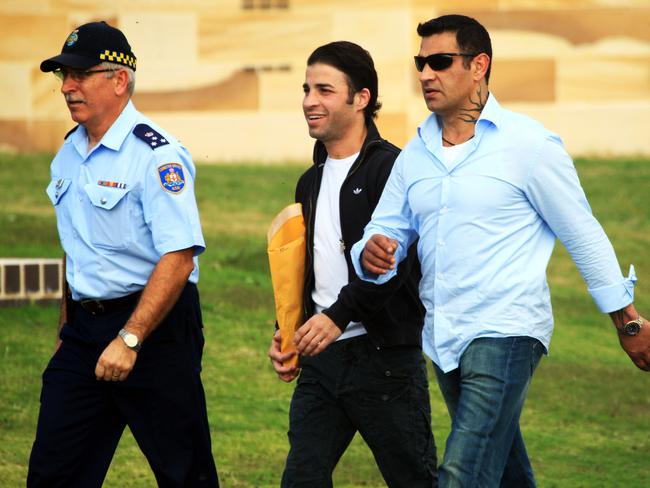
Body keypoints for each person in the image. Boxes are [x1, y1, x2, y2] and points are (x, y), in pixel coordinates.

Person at [351, 14, 650, 488]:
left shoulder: (529, 145)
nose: (426, 73)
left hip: (507, 330)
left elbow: (582, 233)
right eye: (421, 62)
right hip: (444, 336)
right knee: (506, 471)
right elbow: (383, 230)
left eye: (440, 61)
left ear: (479, 66)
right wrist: (371, 254)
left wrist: (627, 320)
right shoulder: (414, 155)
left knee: (461, 473)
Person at [27, 21, 219, 487]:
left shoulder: (156, 155)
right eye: (63, 76)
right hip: (83, 332)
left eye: (81, 74)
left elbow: (179, 257)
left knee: (184, 472)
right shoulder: (68, 155)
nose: (68, 87)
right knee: (53, 472)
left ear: (119, 80)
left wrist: (130, 338)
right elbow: (78, 250)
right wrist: (66, 327)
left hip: (155, 330)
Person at [267, 41, 438, 487]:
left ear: (361, 98)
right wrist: (291, 330)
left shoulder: (392, 169)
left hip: (384, 362)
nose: (308, 101)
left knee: (414, 479)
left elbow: (391, 266)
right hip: (321, 363)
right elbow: (314, 266)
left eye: (324, 89)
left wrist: (337, 317)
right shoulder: (310, 179)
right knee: (301, 479)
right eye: (306, 89)